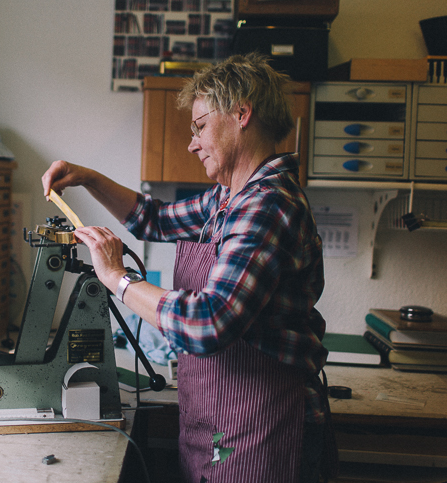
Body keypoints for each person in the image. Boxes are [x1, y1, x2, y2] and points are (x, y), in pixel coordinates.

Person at [42, 53, 335, 483]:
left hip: (265, 429)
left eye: (199, 126)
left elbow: (207, 323)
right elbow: (153, 219)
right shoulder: (228, 199)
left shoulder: (267, 205)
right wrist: (88, 178)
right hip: (221, 422)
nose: (191, 143)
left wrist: (117, 278)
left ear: (241, 113)